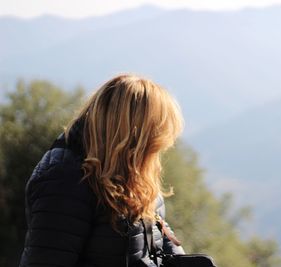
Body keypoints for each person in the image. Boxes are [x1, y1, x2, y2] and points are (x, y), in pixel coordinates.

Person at [18, 74, 185, 267]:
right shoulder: (65, 180)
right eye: (153, 139)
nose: (157, 150)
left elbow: (157, 242)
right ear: (132, 137)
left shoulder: (134, 176)